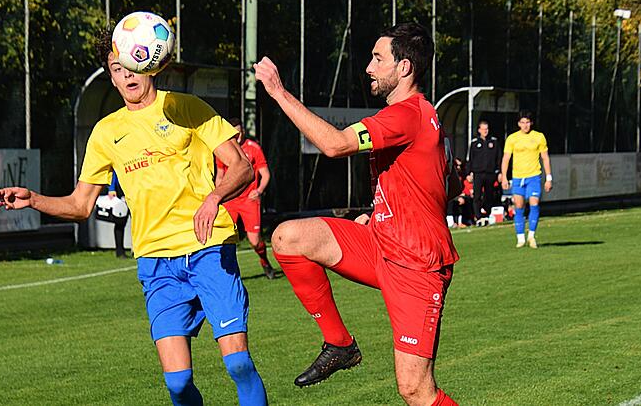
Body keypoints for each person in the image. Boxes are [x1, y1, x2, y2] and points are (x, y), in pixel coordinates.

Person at [0, 28, 267, 406]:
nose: (127, 75)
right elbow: (81, 205)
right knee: (178, 383)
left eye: (132, 66)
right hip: (156, 262)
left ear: (149, 64)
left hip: (208, 248)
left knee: (237, 364)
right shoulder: (106, 132)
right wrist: (34, 199)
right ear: (111, 75)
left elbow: (242, 167)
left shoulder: (187, 107)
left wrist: (214, 197)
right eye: (117, 69)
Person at [254, 23, 459, 405]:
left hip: (416, 265)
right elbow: (448, 183)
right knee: (288, 237)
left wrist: (279, 92)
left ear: (404, 68)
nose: (369, 67)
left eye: (378, 59)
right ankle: (340, 344)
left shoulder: (407, 114)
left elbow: (334, 145)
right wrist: (381, 214)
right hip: (383, 244)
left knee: (415, 389)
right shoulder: (422, 115)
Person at [215, 117, 276, 279]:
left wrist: (259, 190)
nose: (238, 136)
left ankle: (264, 261)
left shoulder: (253, 148)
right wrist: (217, 196)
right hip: (230, 200)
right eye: (234, 133)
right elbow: (220, 176)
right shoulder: (224, 149)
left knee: (254, 241)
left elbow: (265, 174)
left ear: (243, 131)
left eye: (240, 132)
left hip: (249, 200)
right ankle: (226, 275)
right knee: (225, 238)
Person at [501, 110, 552, 249]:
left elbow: (545, 158)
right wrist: (504, 176)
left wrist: (549, 178)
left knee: (534, 204)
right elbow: (506, 158)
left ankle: (532, 236)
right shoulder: (512, 138)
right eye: (522, 122)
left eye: (527, 122)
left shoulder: (539, 137)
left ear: (531, 123)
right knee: (519, 206)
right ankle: (520, 238)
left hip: (534, 176)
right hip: (518, 177)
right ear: (518, 124)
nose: (525, 125)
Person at [467, 120, 502, 225]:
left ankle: (487, 214)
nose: (485, 131)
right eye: (483, 129)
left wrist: (500, 172)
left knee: (489, 195)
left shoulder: (494, 142)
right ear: (479, 130)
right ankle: (478, 217)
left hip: (490, 173)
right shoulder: (474, 143)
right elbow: (470, 159)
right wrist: (469, 173)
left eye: (486, 129)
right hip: (478, 173)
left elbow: (499, 158)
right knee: (477, 195)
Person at [106, 170, 128, 258]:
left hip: (135, 189)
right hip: (120, 191)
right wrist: (111, 188)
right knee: (120, 221)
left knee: (138, 222)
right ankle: (120, 251)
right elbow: (113, 170)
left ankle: (137, 250)